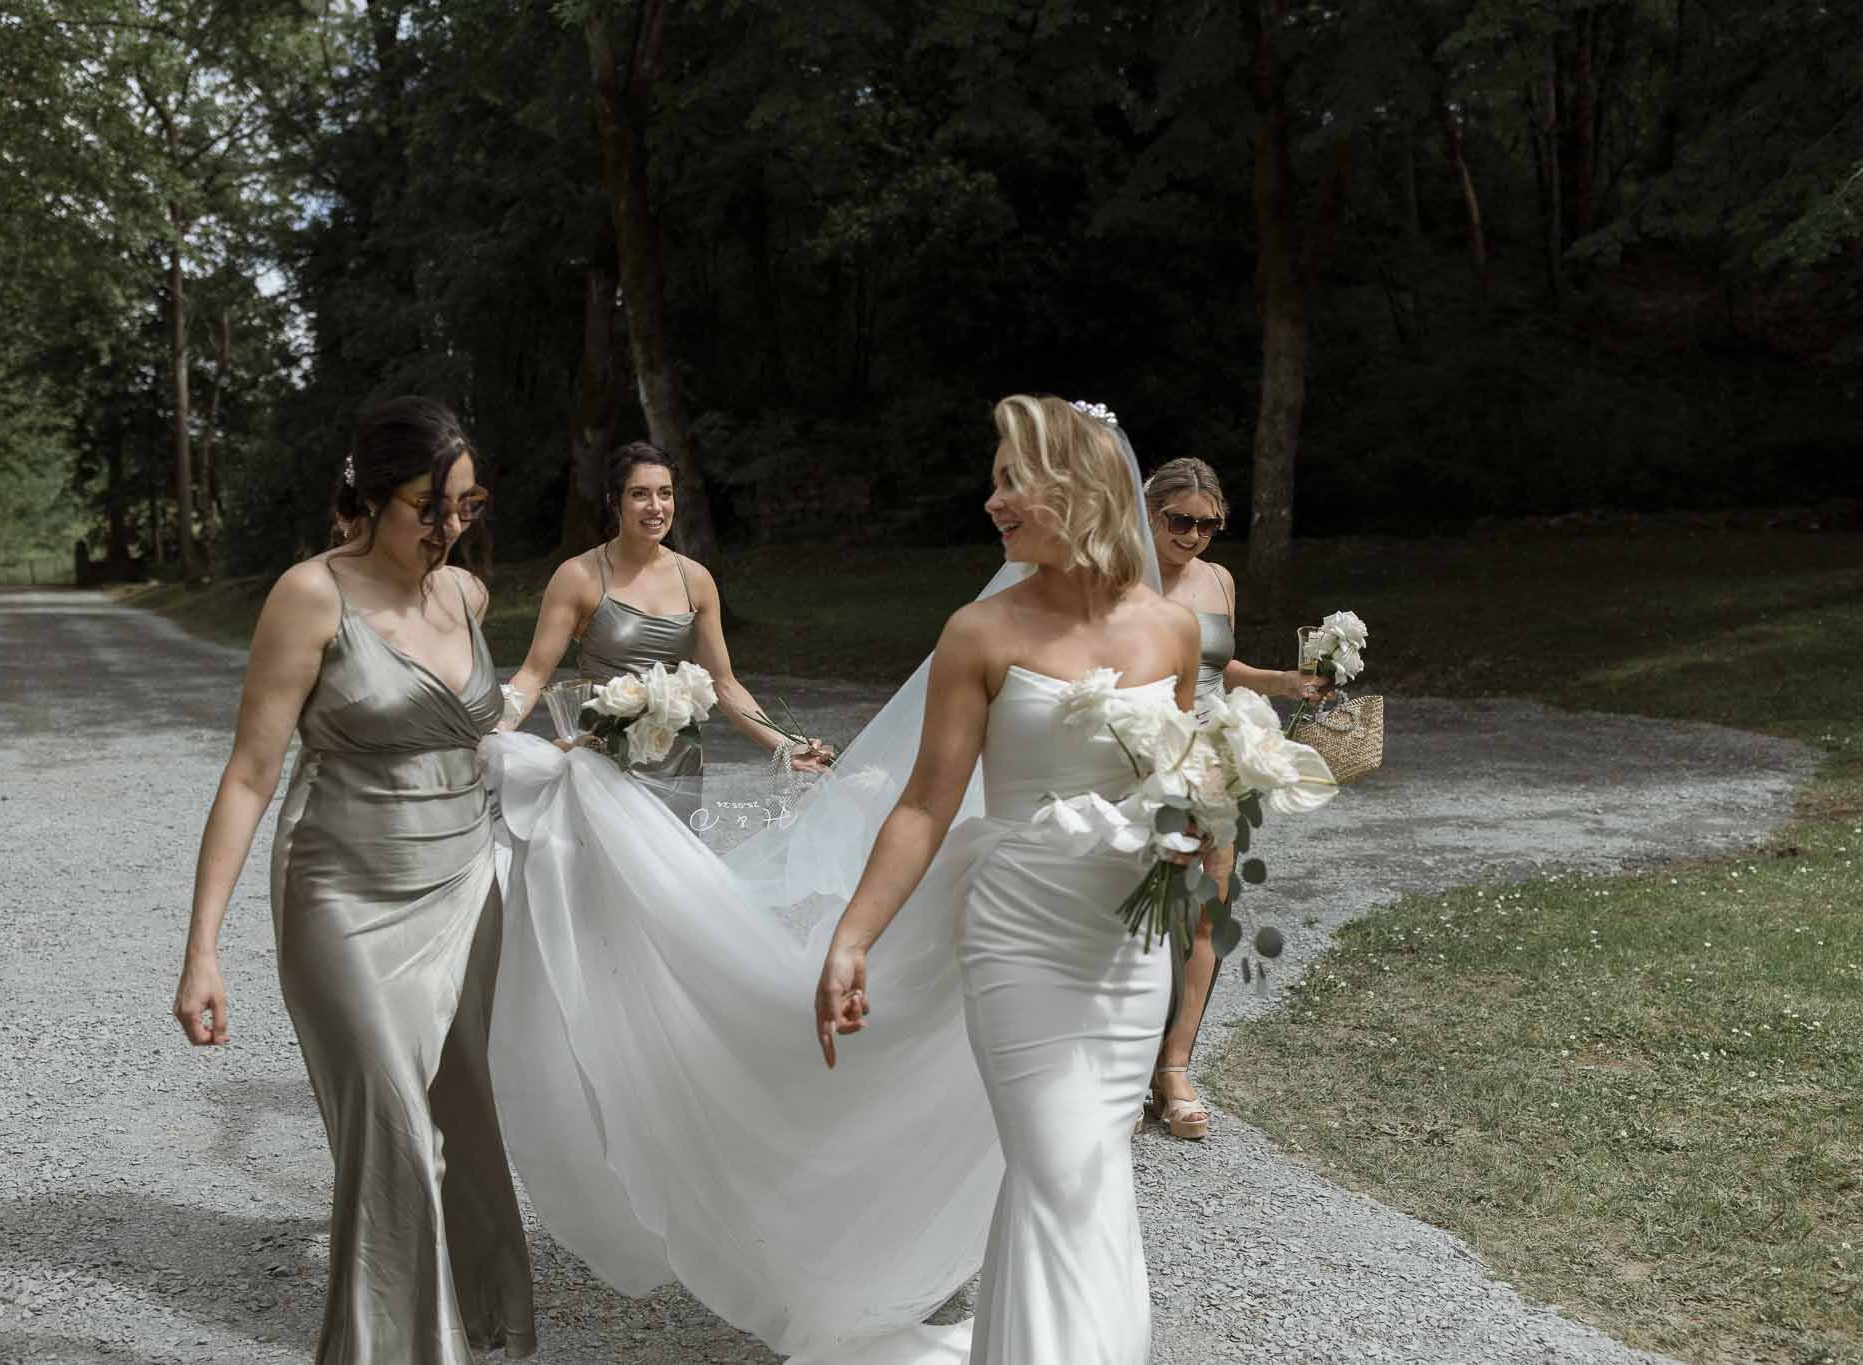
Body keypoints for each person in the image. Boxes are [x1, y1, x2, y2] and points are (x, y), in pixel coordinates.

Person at [478, 395, 1193, 1364]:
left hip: (1125, 951)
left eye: (1010, 481)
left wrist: (1194, 835)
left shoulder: (1172, 632)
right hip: (1017, 938)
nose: (990, 501)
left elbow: (1176, 786)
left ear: (1075, 487)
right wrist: (851, 938)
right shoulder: (979, 633)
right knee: (1058, 1161)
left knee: (1093, 1162)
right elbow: (924, 805)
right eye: (994, 481)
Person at [170, 396, 536, 1363]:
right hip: (341, 890)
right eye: (430, 507)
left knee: (461, 1117)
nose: (449, 527)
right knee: (391, 1126)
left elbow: (475, 733)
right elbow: (251, 772)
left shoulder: (466, 596)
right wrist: (203, 948)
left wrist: (581, 760)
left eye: (466, 507)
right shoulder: (310, 595)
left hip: (463, 883)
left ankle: (463, 1320)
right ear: (373, 496)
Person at [1138, 456, 1329, 1140]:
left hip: (1218, 758)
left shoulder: (1219, 579)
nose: (1193, 535)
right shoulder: (1119, 578)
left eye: (1209, 524)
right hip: (1143, 754)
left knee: (1206, 912)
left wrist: (1283, 682)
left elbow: (1219, 668)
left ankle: (1174, 1069)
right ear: (1147, 512)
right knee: (1136, 914)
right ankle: (1121, 1067)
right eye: (1179, 520)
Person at [502, 440, 829, 826]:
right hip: (604, 765)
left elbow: (724, 684)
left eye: (665, 493)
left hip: (680, 768)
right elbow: (534, 674)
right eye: (640, 494)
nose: (656, 507)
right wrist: (496, 728)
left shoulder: (696, 580)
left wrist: (784, 744)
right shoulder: (578, 576)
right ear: (614, 501)